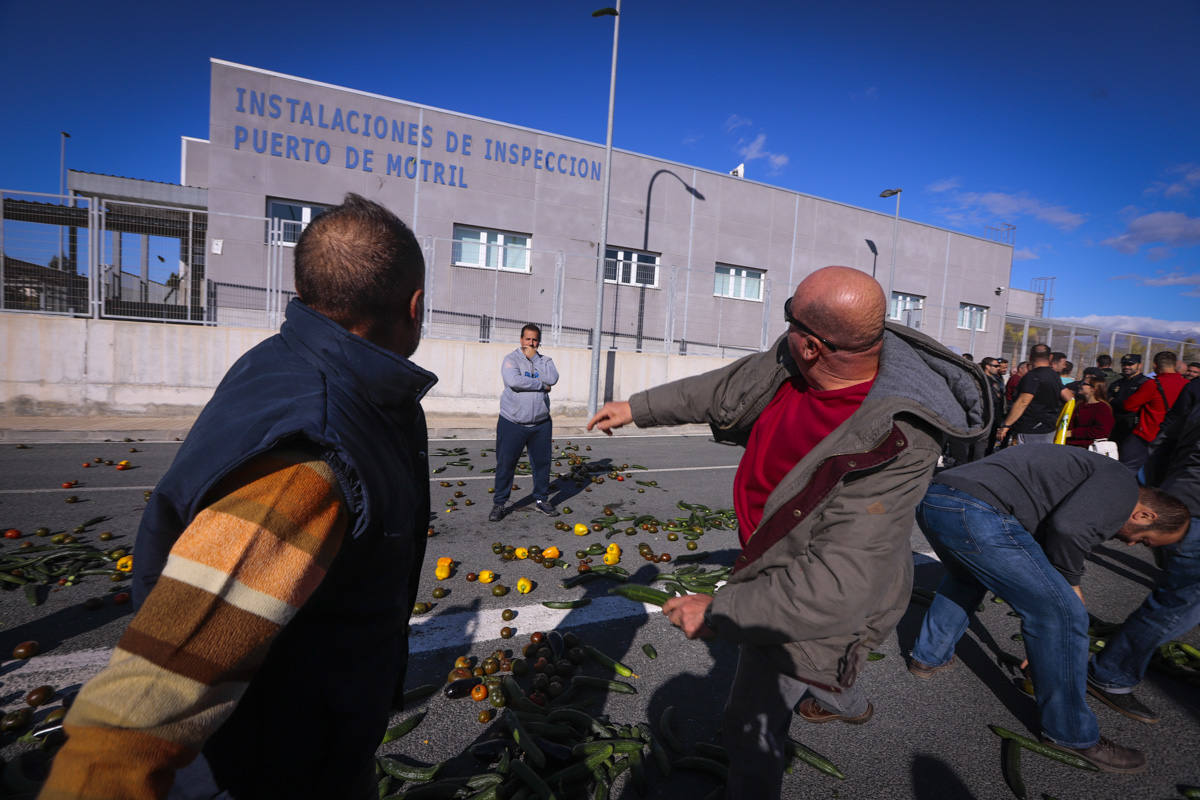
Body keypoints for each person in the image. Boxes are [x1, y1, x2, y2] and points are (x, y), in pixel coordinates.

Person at [40, 194, 435, 799]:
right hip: (282, 760)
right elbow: (141, 706)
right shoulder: (313, 458)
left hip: (316, 735)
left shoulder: (289, 361)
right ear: (413, 306)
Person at [587, 265, 989, 799]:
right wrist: (637, 409)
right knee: (820, 674)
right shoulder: (791, 364)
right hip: (770, 556)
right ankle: (843, 696)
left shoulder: (900, 441)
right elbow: (722, 389)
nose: (784, 328)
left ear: (813, 344)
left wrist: (721, 611)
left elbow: (836, 584)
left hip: (796, 584)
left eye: (789, 315)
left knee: (750, 725)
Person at [907, 446, 1190, 772]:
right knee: (1064, 615)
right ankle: (1070, 733)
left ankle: (928, 657)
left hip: (938, 500)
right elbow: (1067, 529)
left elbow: (1048, 536)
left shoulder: (1100, 478)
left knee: (966, 578)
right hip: (976, 509)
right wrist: (1070, 590)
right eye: (1144, 541)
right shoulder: (1122, 488)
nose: (1130, 545)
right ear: (1145, 516)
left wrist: (1049, 650)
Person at [1089, 377, 1200, 723]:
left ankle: (1123, 661)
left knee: (1178, 600)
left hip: (1180, 498)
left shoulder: (1196, 387)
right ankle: (1110, 672)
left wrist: (1159, 493)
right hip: (1194, 508)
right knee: (1178, 602)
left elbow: (1165, 440)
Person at [489, 323, 559, 520]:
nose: (531, 342)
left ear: (539, 341)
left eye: (535, 339)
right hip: (513, 422)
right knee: (506, 463)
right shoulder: (510, 360)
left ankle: (541, 500)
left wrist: (535, 359)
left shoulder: (545, 360)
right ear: (521, 340)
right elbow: (514, 381)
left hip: (541, 423)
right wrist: (541, 385)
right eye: (527, 339)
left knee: (542, 464)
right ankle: (500, 503)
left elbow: (553, 378)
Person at [1119, 350, 1188, 471]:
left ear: (1155, 365)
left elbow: (1129, 406)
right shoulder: (1187, 384)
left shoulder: (1153, 384)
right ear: (1174, 365)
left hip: (1148, 434)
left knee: (1128, 469)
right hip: (1175, 436)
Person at [997, 344, 1063, 445]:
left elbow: (1023, 401)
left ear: (1030, 357)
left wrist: (1006, 425)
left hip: (1031, 428)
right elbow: (1069, 397)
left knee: (1027, 458)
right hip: (1049, 427)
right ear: (1050, 357)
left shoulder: (1032, 376)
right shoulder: (1054, 375)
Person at [1109, 353, 1149, 449]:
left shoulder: (1145, 383)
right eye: (1124, 364)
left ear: (1139, 365)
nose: (1126, 367)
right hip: (1115, 425)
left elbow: (1132, 405)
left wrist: (1116, 401)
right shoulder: (1117, 383)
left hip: (1132, 426)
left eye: (1130, 364)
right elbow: (1108, 399)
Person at [1065, 375, 1115, 448]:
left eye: (1084, 384)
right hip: (1071, 445)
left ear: (1093, 388)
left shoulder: (1103, 408)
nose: (1080, 385)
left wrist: (1073, 433)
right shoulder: (1080, 404)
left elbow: (1102, 431)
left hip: (1088, 448)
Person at [980, 357, 1007, 454]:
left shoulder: (996, 379)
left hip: (995, 418)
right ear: (987, 366)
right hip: (985, 418)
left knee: (990, 444)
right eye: (996, 366)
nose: (998, 368)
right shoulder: (982, 380)